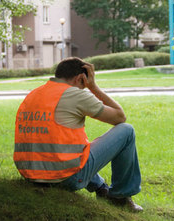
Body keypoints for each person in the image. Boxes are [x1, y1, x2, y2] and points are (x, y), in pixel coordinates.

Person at [13, 57, 142, 212]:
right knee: (126, 131)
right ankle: (120, 197)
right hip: (64, 178)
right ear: (81, 78)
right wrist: (94, 87)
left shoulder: (33, 94)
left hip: (31, 175)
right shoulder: (74, 94)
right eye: (84, 84)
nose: (84, 88)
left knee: (77, 149)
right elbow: (119, 117)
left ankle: (101, 187)